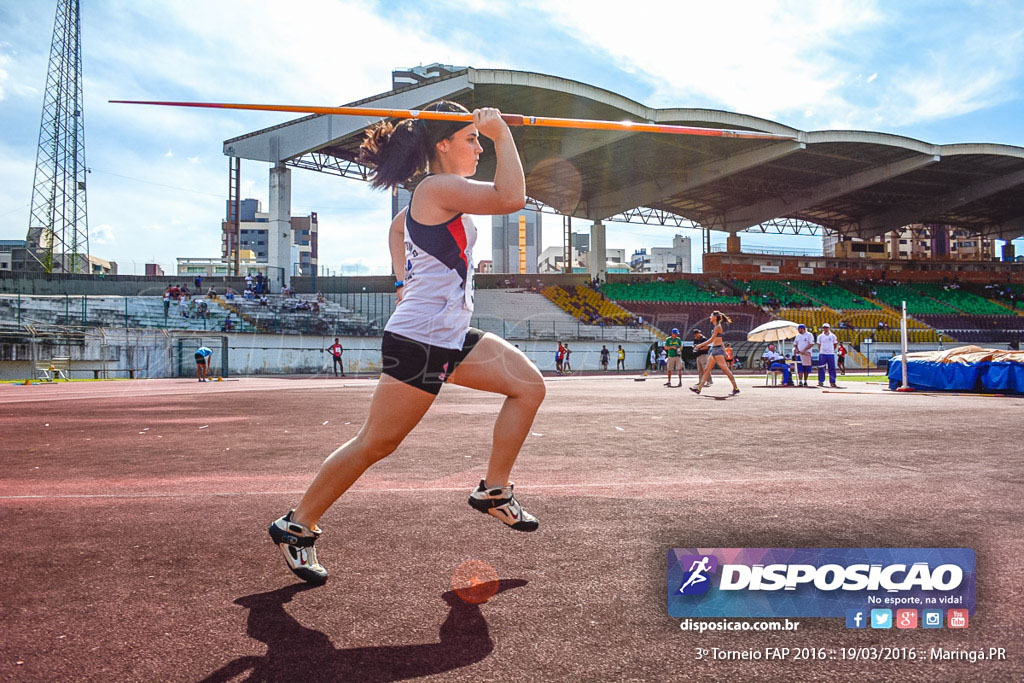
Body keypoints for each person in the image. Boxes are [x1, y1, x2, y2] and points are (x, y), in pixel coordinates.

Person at [268, 102, 544, 586]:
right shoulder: (436, 188)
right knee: (377, 442)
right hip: (420, 339)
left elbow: (397, 228)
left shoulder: (437, 194)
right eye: (470, 139)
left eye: (479, 140)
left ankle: (494, 492)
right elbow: (510, 198)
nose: (477, 146)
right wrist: (501, 134)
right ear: (443, 145)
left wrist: (404, 275)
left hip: (451, 334)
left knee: (529, 386)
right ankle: (297, 525)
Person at [690, 311, 740, 396]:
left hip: (717, 351)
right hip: (715, 350)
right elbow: (720, 341)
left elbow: (711, 340)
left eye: (711, 316)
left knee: (726, 370)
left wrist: (699, 345)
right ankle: (699, 389)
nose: (710, 317)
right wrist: (725, 351)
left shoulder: (717, 327)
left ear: (715, 317)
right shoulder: (715, 327)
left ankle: (736, 388)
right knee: (706, 370)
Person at [816, 322, 839, 388]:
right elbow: (818, 345)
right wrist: (822, 350)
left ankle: (832, 382)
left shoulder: (833, 336)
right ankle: (821, 381)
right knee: (821, 368)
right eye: (824, 327)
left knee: (832, 368)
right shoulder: (820, 336)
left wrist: (831, 350)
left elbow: (835, 344)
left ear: (828, 328)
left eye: (826, 327)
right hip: (822, 354)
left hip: (830, 354)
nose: (825, 329)